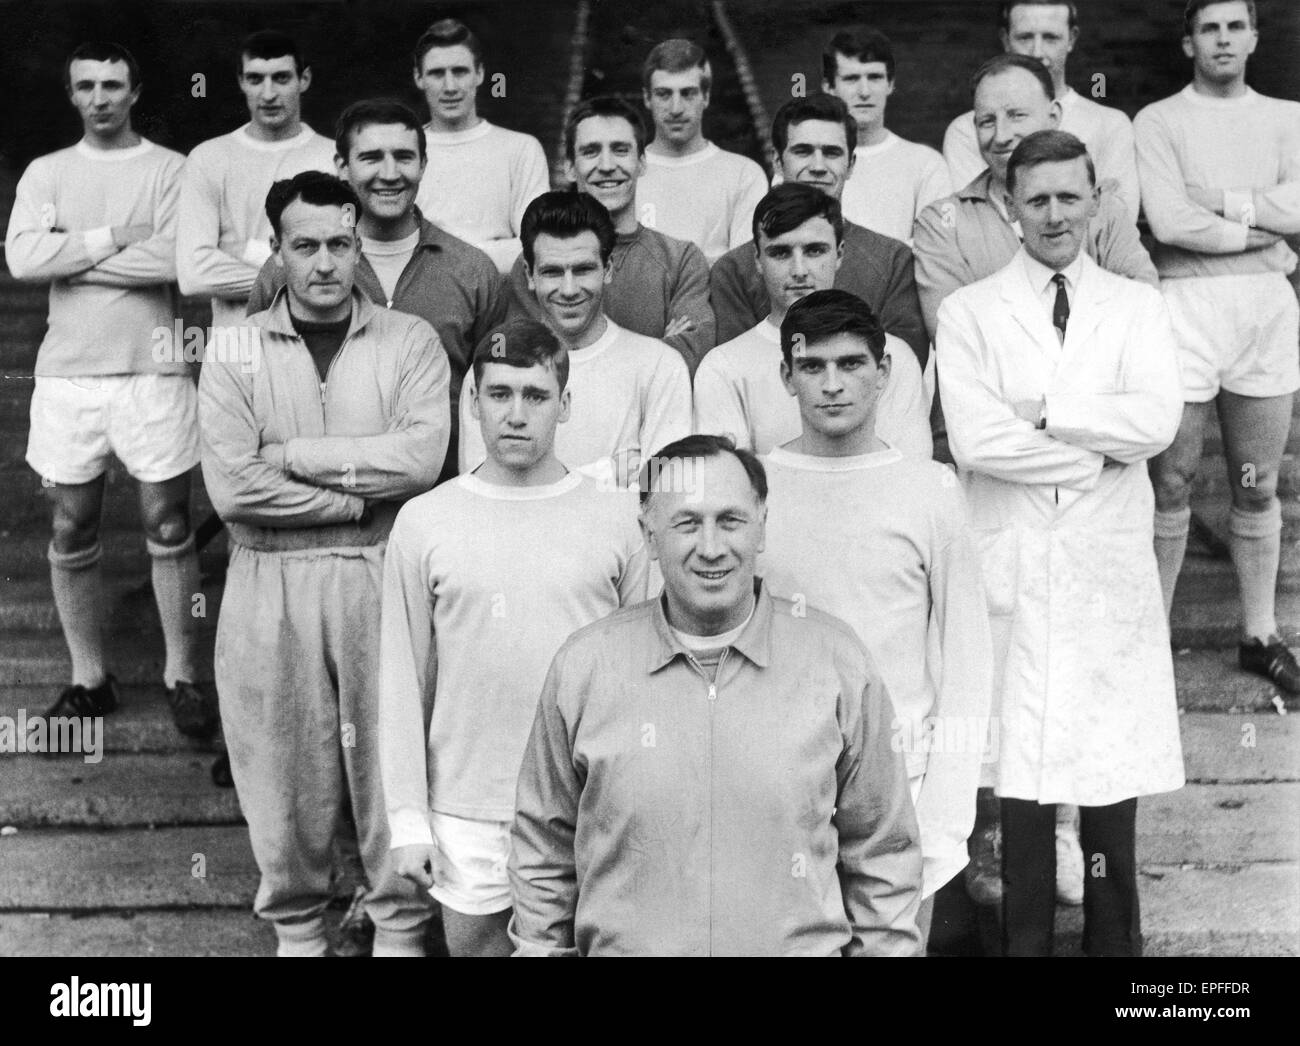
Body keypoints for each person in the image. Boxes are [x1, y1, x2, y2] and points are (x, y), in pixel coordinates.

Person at [508, 433, 924, 955]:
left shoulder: (836, 662)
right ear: (650, 535)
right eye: (687, 522)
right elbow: (543, 853)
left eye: (730, 520)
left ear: (762, 527)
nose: (711, 547)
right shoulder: (585, 667)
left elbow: (883, 855)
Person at [936, 130, 1185, 956]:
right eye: (1035, 199)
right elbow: (977, 442)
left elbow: (1155, 422)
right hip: (1010, 557)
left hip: (1103, 566)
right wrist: (1093, 452)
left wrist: (1046, 416)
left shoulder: (1138, 306)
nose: (1053, 215)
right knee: (1021, 780)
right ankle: (1027, 943)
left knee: (1109, 763)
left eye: (1069, 197)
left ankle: (1118, 950)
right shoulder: (968, 313)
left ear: (1096, 202)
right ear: (1009, 207)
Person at [198, 171, 450, 957]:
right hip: (268, 580)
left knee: (390, 763)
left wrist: (295, 456)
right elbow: (235, 488)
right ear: (276, 250)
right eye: (304, 245)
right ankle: (300, 936)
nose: (324, 263)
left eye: (340, 244)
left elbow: (418, 459)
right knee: (280, 767)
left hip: (379, 575)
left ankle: (400, 932)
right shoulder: (236, 348)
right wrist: (350, 500)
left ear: (357, 247)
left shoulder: (408, 339)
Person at [379, 317, 647, 958]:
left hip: (588, 803)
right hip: (468, 803)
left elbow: (644, 678)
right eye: (499, 394)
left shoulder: (618, 519)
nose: (516, 414)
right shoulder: (426, 521)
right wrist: (409, 818)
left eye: (535, 396)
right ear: (473, 402)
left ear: (566, 403)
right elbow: (400, 680)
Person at [758, 289, 992, 947]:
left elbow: (968, 659)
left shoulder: (929, 490)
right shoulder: (754, 488)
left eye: (852, 364)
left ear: (885, 372)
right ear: (786, 376)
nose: (832, 385)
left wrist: (945, 817)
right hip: (780, 781)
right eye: (813, 367)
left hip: (900, 784)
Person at [5, 42, 215, 739]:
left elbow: (180, 261)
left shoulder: (169, 169)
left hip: (152, 370)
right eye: (87, 86)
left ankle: (182, 675)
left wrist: (76, 254)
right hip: (69, 374)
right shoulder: (47, 172)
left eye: (113, 85)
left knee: (169, 524)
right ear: (71, 93)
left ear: (134, 90)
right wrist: (119, 238)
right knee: (70, 524)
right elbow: (24, 258)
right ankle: (88, 679)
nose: (101, 97)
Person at [1136, 0, 1300, 694]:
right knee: (1171, 477)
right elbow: (1169, 220)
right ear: (1188, 41)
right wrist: (1262, 217)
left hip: (1263, 306)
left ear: (1255, 36)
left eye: (1236, 25)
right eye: (1210, 27)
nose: (1224, 38)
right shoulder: (1159, 120)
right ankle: (1150, 636)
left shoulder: (1288, 117)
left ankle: (1259, 633)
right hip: (1185, 307)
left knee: (1255, 481)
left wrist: (1221, 202)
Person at [247, 98, 506, 485]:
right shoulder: (286, 271)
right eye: (370, 157)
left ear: (423, 165)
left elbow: (497, 386)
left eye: (403, 157)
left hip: (442, 489)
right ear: (341, 167)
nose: (389, 173)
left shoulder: (472, 270)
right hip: (311, 493)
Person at [915, 54, 1155, 345]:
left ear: (1054, 116)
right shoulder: (943, 222)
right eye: (986, 121)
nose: (1001, 136)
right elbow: (953, 336)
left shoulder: (1102, 208)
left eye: (1017, 115)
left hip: (1100, 389)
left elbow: (1145, 312)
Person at [459, 192, 691, 487]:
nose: (569, 290)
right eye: (552, 272)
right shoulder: (494, 365)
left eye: (582, 269)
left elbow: (673, 488)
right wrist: (608, 473)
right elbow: (482, 490)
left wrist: (535, 480)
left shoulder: (661, 365)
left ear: (607, 269)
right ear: (530, 275)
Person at [694, 185, 930, 458]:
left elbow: (909, 470)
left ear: (840, 254)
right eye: (781, 253)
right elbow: (731, 484)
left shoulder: (892, 354)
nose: (799, 270)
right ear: (757, 260)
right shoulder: (724, 366)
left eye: (814, 251)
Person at [504, 95, 715, 375]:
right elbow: (529, 362)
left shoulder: (681, 260)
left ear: (641, 162)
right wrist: (659, 348)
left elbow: (689, 357)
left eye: (620, 150)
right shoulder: (539, 261)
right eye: (591, 151)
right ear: (569, 166)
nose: (606, 165)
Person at [709, 94, 927, 365]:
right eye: (803, 151)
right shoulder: (735, 271)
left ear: (851, 165)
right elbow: (736, 366)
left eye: (832, 153)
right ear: (777, 161)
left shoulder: (893, 260)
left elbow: (899, 367)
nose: (818, 166)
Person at [177, 30, 336, 331]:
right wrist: (306, 273)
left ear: (304, 79)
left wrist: (245, 251)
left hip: (316, 346)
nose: (268, 94)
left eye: (281, 78)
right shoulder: (208, 158)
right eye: (255, 79)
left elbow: (351, 265)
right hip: (237, 348)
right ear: (241, 82)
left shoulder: (334, 157)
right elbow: (193, 275)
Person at [942, 0, 1140, 221]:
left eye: (1050, 38)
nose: (1037, 52)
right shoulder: (967, 130)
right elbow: (976, 224)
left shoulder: (1110, 124)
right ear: (1006, 40)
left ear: (1071, 38)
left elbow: (1118, 222)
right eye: (1025, 37)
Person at [412, 18, 550, 274]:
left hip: (500, 296)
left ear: (480, 74)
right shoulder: (402, 153)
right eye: (437, 73)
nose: (450, 86)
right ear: (419, 78)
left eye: (460, 71)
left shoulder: (520, 149)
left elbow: (536, 245)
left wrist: (445, 257)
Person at [635, 39, 769, 264]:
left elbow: (741, 272)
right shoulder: (625, 174)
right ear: (647, 98)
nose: (676, 108)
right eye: (663, 94)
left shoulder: (744, 175)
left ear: (705, 97)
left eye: (687, 93)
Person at [821, 28, 952, 243]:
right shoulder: (805, 161)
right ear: (829, 87)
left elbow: (936, 245)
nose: (864, 91)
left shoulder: (926, 164)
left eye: (874, 77)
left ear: (890, 84)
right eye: (851, 79)